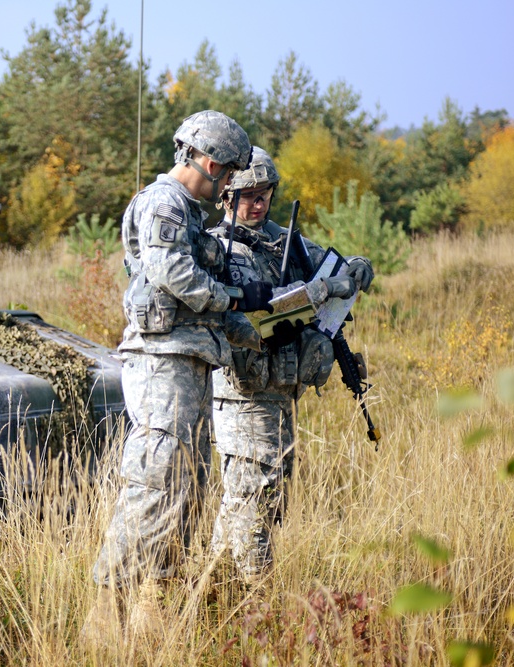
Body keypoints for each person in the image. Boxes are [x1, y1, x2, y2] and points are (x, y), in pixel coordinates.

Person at [83, 110, 271, 644]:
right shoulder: (163, 203)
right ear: (211, 162)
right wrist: (235, 297)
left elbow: (205, 286)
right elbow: (173, 273)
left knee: (185, 488)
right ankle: (105, 617)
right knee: (153, 480)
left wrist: (248, 319)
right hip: (161, 361)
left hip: (189, 360)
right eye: (231, 174)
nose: (231, 186)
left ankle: (152, 610)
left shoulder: (191, 213)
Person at [206, 147, 374, 581]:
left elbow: (337, 267)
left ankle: (213, 594)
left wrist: (357, 268)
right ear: (227, 195)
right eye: (248, 195)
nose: (258, 203)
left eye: (265, 194)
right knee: (254, 505)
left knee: (258, 501)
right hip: (241, 397)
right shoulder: (215, 250)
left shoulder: (289, 241)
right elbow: (230, 320)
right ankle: (255, 601)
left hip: (280, 397)